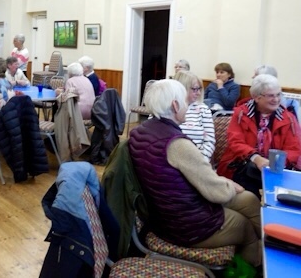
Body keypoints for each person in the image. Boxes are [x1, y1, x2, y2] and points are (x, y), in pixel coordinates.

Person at [128, 79, 262, 268]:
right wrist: (228, 186)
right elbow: (217, 193)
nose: (189, 105)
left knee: (249, 200)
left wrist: (224, 183)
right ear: (175, 105)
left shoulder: (139, 132)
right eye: (185, 101)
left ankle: (268, 246)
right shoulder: (177, 144)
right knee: (245, 227)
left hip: (166, 213)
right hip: (187, 226)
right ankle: (254, 267)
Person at [217, 74, 301, 196]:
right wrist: (256, 158)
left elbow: (294, 149)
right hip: (243, 167)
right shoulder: (241, 113)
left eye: (278, 94)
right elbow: (235, 142)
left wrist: (276, 163)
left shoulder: (289, 118)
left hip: (276, 171)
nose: (276, 99)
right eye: (271, 95)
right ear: (256, 97)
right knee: (250, 195)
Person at [173, 70, 215, 162]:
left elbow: (209, 141)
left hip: (197, 160)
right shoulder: (166, 108)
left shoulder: (203, 109)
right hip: (172, 160)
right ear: (183, 88)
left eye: (199, 89)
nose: (199, 93)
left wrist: (201, 161)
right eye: (195, 89)